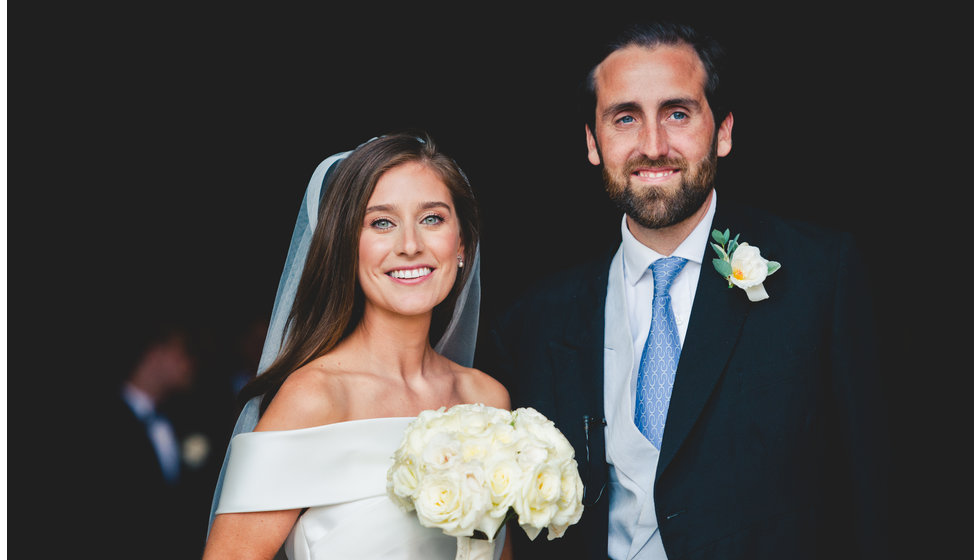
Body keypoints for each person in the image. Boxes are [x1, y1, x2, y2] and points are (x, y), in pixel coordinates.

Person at [478, 20, 888, 560]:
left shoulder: (820, 276)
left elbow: (872, 489)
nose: (653, 146)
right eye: (625, 118)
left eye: (677, 113)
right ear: (592, 143)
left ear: (723, 131)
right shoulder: (534, 321)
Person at [203, 132, 511, 560]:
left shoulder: (487, 402)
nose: (409, 245)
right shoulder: (315, 397)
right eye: (381, 222)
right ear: (348, 245)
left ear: (461, 244)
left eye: (432, 219)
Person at [89, 318, 205, 559]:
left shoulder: (184, 421)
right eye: (182, 351)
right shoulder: (99, 422)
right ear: (155, 353)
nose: (191, 363)